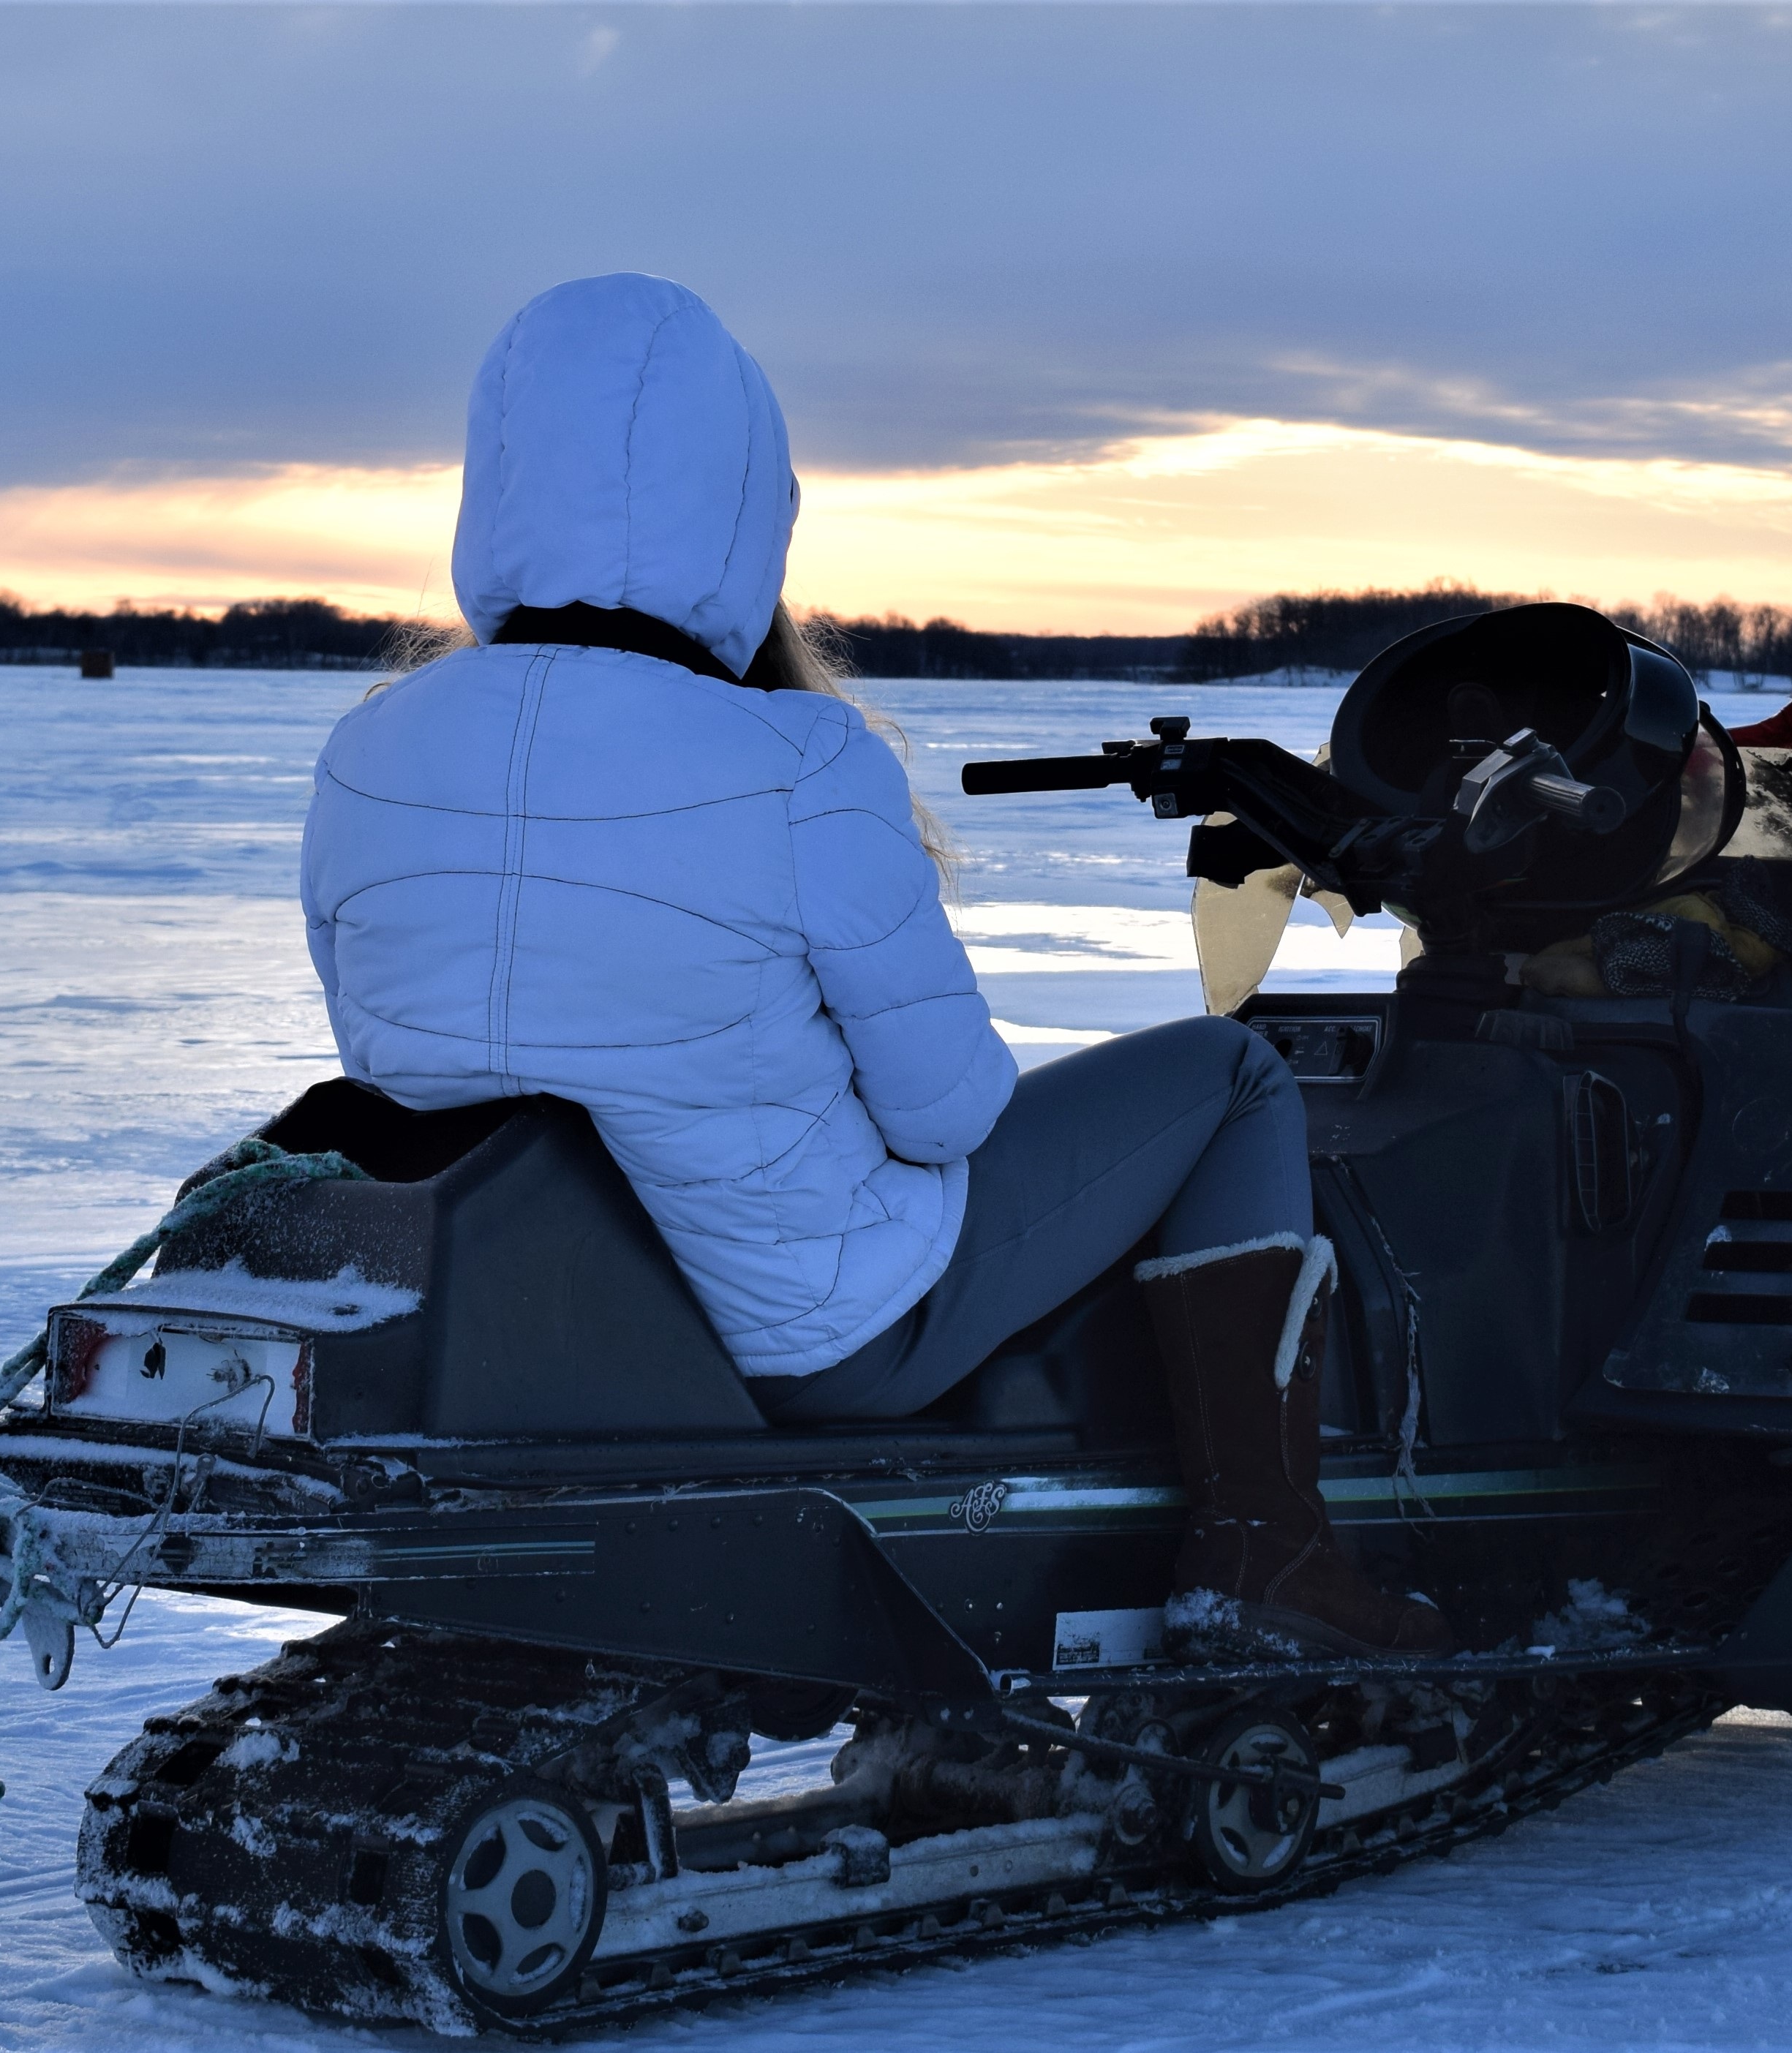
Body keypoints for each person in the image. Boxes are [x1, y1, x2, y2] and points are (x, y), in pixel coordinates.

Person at [301, 274, 1447, 1657]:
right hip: (814, 1332)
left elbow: (390, 1056)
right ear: (742, 514)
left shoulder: (370, 746)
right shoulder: (799, 760)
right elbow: (949, 1116)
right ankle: (1267, 1547)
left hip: (538, 1317)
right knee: (1234, 1074)